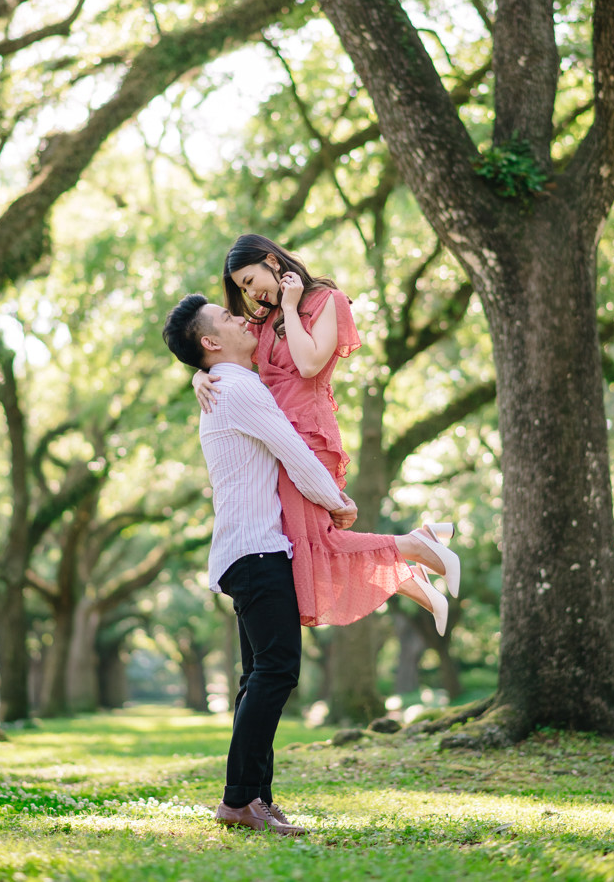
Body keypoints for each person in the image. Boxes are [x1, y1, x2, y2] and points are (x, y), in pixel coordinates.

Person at [163, 292, 360, 835]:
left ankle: (257, 800)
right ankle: (238, 800)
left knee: (259, 678)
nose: (241, 317)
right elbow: (294, 450)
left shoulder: (226, 386)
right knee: (276, 672)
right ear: (210, 343)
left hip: (248, 550)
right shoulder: (237, 387)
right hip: (256, 550)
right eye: (228, 317)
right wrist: (336, 502)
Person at [193, 234, 460, 632]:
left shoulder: (327, 302)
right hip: (278, 439)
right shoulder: (264, 319)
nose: (251, 295)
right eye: (243, 289)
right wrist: (200, 374)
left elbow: (308, 364)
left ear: (271, 260)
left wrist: (289, 306)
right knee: (308, 549)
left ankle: (415, 550)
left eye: (250, 281)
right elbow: (219, 347)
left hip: (308, 435)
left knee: (319, 546)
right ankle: (414, 566)